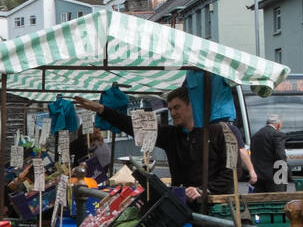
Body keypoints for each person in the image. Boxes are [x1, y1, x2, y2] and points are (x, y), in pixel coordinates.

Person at [75, 87, 233, 204]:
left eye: (177, 107)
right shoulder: (172, 134)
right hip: (182, 204)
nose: (173, 113)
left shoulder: (218, 131)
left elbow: (231, 173)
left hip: (214, 207)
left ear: (191, 105)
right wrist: (101, 109)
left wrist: (203, 190)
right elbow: (133, 126)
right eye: (170, 109)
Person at [250, 116, 287, 193]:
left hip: (259, 176)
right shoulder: (277, 134)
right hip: (275, 176)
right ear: (278, 124)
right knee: (277, 201)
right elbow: (280, 156)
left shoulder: (255, 135)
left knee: (261, 201)